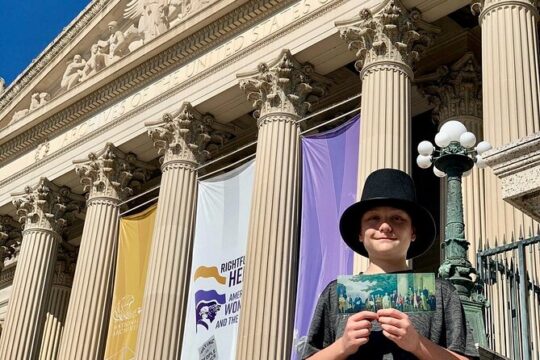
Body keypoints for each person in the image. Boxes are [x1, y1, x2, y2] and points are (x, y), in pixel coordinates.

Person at [302, 168, 479, 359]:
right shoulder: (335, 293)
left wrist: (418, 344)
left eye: (397, 218)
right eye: (373, 218)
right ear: (360, 233)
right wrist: (342, 346)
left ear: (413, 232)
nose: (385, 226)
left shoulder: (441, 292)